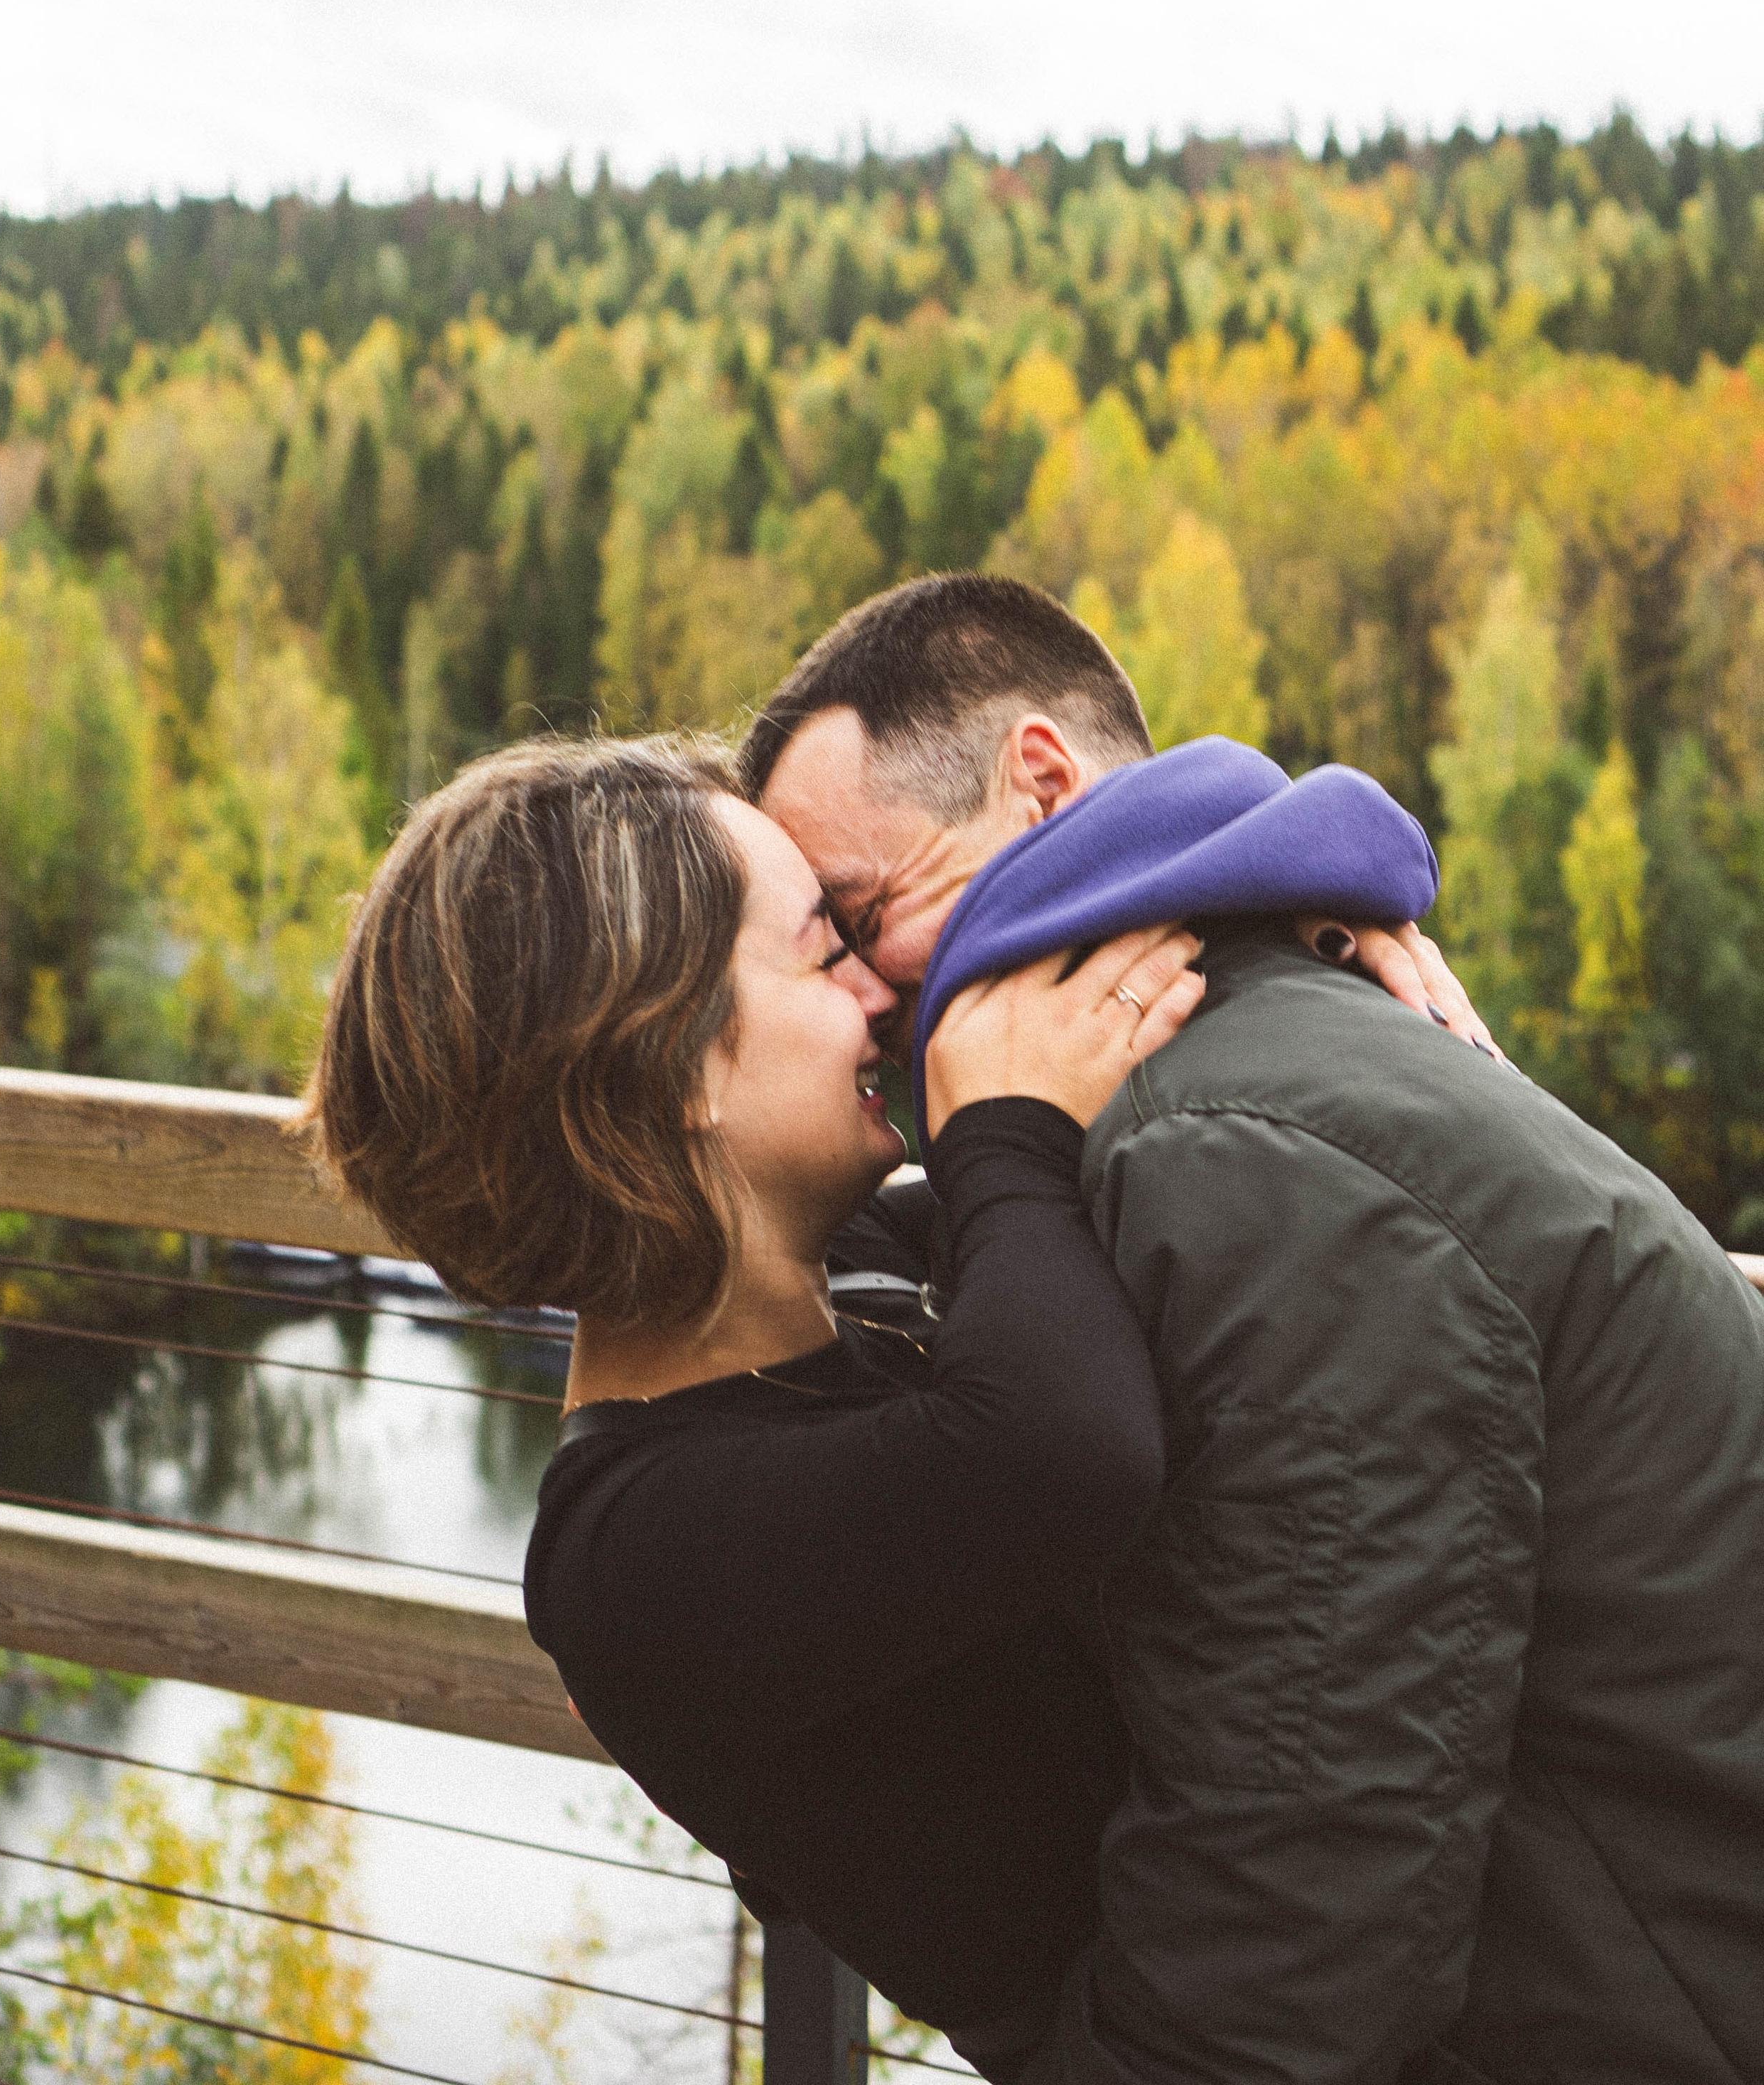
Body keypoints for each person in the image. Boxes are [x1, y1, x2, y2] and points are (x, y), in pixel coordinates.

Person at [299, 731, 1463, 2079]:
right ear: (673, 1064)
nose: (883, 992)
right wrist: (1006, 1131)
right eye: (823, 948)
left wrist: (1297, 954)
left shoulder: (856, 1277)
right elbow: (1061, 1445)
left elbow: (1080, 1157)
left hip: (1320, 1971)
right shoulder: (634, 1561)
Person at [746, 572, 1764, 2085]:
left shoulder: (1231, 1146)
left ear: (1039, 782)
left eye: (862, 913)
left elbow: (1311, 1830)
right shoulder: (1233, 1060)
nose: (862, 998)